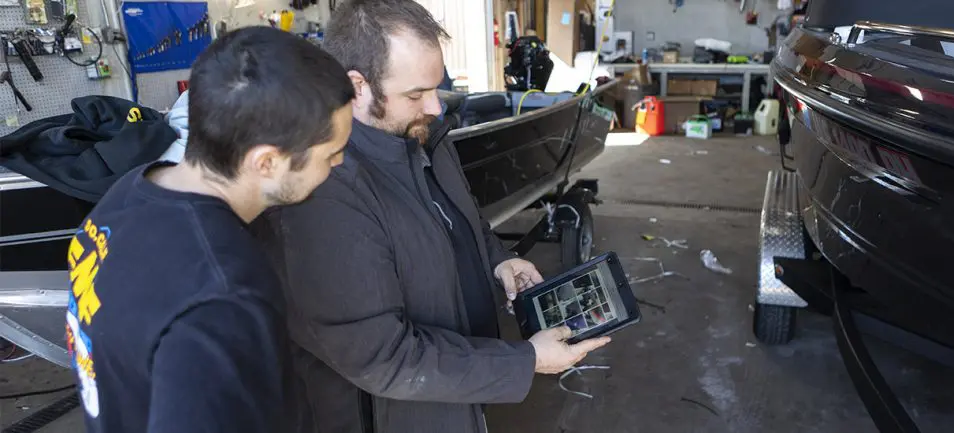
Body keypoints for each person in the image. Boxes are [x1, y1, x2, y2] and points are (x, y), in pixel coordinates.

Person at [248, 1, 612, 432]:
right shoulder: (323, 190)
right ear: (357, 86)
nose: (437, 107)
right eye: (415, 94)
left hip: (453, 398)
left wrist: (498, 261)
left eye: (435, 87)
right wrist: (525, 360)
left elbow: (464, 222)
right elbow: (381, 357)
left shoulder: (424, 139)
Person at [64, 27, 356, 433]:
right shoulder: (223, 296)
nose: (338, 164)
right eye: (333, 152)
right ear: (267, 162)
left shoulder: (129, 194)